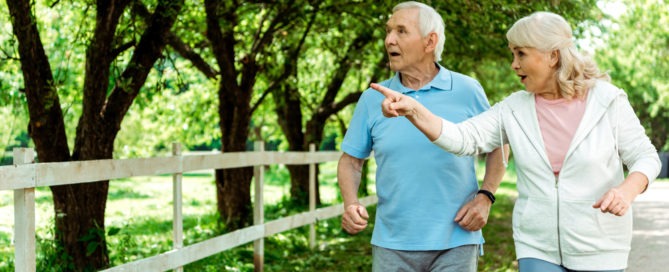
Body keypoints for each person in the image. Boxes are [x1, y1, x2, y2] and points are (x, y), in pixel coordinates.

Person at [371, 11, 662, 272]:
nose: (513, 64)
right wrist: (413, 110)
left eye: (521, 54)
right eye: (513, 54)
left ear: (552, 56)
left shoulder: (607, 100)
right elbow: (462, 138)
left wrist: (626, 190)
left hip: (600, 245)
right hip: (537, 245)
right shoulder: (513, 109)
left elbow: (645, 157)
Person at [337, 2, 508, 271]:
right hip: (392, 242)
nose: (389, 39)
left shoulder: (467, 89)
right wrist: (350, 203)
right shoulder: (373, 98)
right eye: (388, 31)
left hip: (457, 239)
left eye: (401, 31)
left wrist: (485, 196)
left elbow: (500, 146)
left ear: (430, 42)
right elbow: (351, 161)